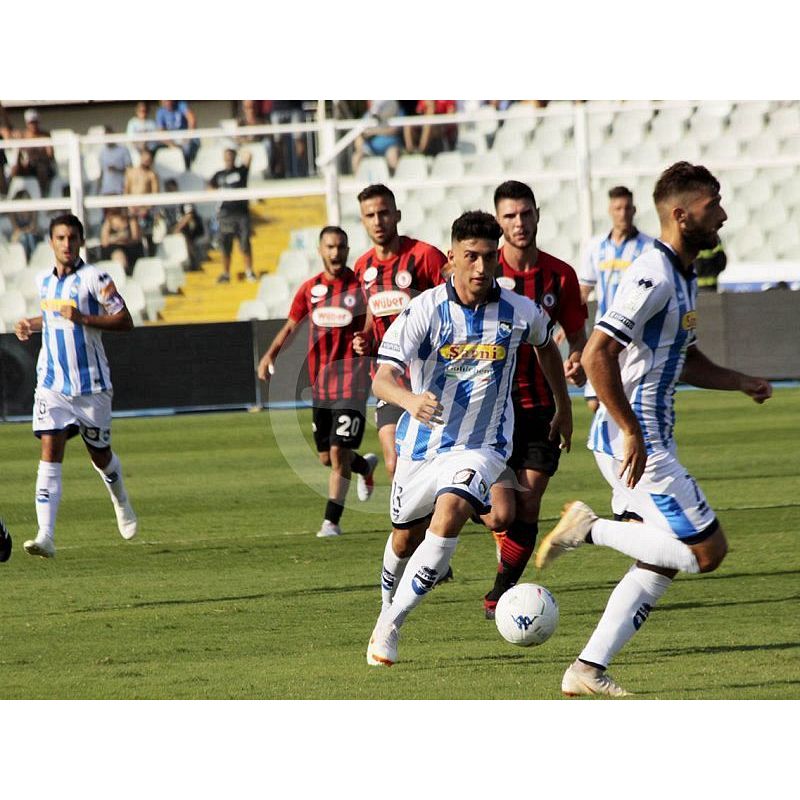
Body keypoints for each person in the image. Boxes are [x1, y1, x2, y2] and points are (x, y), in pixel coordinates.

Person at [534, 162, 773, 697]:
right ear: (682, 215)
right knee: (708, 553)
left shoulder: (682, 275)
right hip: (638, 443)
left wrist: (739, 381)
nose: (723, 215)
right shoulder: (653, 274)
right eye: (713, 206)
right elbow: (597, 353)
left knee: (659, 559)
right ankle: (589, 528)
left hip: (644, 438)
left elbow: (684, 357)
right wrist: (632, 430)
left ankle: (586, 669)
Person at [366, 211, 572, 666]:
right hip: (421, 447)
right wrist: (409, 399)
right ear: (451, 259)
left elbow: (546, 345)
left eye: (489, 257)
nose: (481, 267)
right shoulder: (424, 310)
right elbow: (381, 379)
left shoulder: (519, 310)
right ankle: (385, 608)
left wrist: (564, 405)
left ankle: (391, 625)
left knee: (452, 511)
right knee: (403, 539)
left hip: (482, 447)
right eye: (471, 257)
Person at [479, 180, 587, 620]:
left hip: (541, 407)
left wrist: (577, 357)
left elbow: (577, 333)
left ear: (538, 215)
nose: (519, 223)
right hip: (489, 410)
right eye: (510, 216)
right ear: (498, 221)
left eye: (526, 213)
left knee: (528, 501)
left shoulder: (559, 275)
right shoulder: (483, 272)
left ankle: (499, 595)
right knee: (499, 516)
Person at [13, 213, 138, 559]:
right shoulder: (43, 281)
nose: (66, 244)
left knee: (100, 456)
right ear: (51, 242)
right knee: (49, 451)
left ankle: (120, 500)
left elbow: (125, 320)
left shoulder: (96, 278)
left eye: (72, 238)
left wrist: (84, 318)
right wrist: (31, 324)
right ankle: (46, 535)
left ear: (81, 241)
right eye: (60, 238)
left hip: (91, 386)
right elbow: (54, 318)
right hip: (52, 383)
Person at [256, 226, 378, 538]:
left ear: (347, 249)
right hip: (321, 387)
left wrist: (366, 339)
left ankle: (331, 522)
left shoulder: (360, 288)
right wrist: (270, 355)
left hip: (352, 384)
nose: (335, 253)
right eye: (330, 247)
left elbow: (373, 324)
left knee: (337, 453)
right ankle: (364, 467)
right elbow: (290, 326)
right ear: (320, 250)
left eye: (341, 247)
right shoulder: (310, 289)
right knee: (327, 457)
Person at [578, 186, 655, 413]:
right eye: (618, 208)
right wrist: (568, 322)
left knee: (627, 399)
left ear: (634, 210)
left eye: (627, 208)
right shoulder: (596, 247)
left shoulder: (649, 247)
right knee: (595, 402)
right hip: (603, 331)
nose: (623, 213)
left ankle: (629, 433)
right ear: (610, 211)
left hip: (634, 336)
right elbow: (584, 289)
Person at [208, 147, 256, 283]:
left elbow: (249, 155)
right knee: (225, 246)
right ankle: (226, 274)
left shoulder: (241, 171)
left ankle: (249, 272)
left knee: (244, 244)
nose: (228, 159)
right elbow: (209, 188)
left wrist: (238, 148)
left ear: (234, 157)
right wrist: (219, 194)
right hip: (225, 214)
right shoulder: (219, 174)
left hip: (241, 214)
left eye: (231, 156)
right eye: (226, 156)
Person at [162, 178, 206, 270]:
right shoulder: (164, 200)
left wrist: (177, 228)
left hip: (186, 227)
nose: (169, 190)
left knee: (183, 234)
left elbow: (189, 215)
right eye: (167, 188)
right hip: (170, 227)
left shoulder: (183, 198)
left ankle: (192, 260)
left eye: (170, 188)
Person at [11, 108, 56, 196]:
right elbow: (19, 154)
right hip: (28, 165)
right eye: (31, 123)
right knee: (15, 169)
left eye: (35, 122)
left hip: (42, 164)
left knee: (42, 169)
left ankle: (42, 194)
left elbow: (50, 155)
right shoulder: (22, 136)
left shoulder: (45, 136)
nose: (33, 125)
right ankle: (12, 195)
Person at [352, 101, 404, 176]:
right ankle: (358, 182)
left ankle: (394, 181)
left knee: (392, 154)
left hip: (390, 147)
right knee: (357, 157)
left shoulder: (396, 110)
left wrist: (375, 132)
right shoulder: (369, 114)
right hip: (370, 150)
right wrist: (360, 147)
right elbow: (359, 133)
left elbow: (395, 130)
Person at [124, 148, 160, 256]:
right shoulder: (130, 172)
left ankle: (151, 256)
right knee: (133, 236)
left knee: (148, 236)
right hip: (132, 208)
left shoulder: (152, 175)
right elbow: (126, 191)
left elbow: (155, 194)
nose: (146, 161)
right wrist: (130, 207)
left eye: (148, 159)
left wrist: (145, 209)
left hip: (146, 210)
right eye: (144, 157)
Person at [154, 100, 199, 170]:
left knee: (188, 147)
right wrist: (172, 144)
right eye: (165, 101)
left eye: (169, 100)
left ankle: (188, 170)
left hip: (184, 137)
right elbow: (160, 131)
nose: (167, 102)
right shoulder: (160, 111)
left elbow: (192, 120)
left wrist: (187, 137)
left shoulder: (181, 105)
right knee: (155, 147)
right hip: (170, 140)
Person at [100, 206, 144, 273]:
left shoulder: (131, 220)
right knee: (118, 256)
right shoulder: (109, 221)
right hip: (114, 249)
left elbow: (135, 238)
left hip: (130, 248)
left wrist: (126, 239)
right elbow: (104, 242)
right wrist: (117, 238)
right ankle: (121, 273)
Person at [98, 127, 132, 196]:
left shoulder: (123, 150)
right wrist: (99, 188)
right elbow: (102, 172)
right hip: (106, 190)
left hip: (120, 189)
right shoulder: (102, 152)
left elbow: (130, 170)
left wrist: (117, 169)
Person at [10, 189, 41, 260]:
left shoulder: (33, 211)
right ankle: (25, 259)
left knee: (30, 236)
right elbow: (16, 230)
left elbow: (33, 228)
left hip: (33, 236)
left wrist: (25, 231)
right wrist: (24, 231)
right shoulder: (13, 213)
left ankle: (34, 258)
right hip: (19, 237)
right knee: (23, 237)